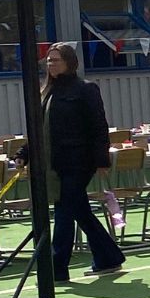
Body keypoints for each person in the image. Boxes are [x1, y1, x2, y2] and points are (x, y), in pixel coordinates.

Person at [40, 42, 123, 282]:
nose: (50, 64)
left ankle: (57, 268)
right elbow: (41, 129)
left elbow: (98, 125)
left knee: (64, 211)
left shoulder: (85, 89)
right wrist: (26, 153)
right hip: (56, 162)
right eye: (48, 60)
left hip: (79, 160)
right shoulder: (47, 92)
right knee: (79, 210)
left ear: (69, 62)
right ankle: (108, 256)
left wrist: (102, 159)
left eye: (55, 60)